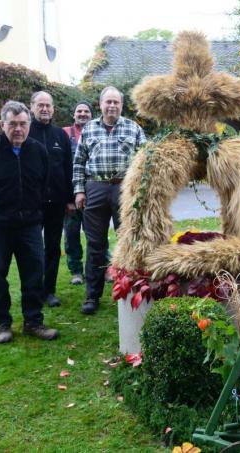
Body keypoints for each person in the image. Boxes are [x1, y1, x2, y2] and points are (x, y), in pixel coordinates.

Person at [0, 100, 60, 343]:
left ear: (28, 125)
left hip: (29, 225)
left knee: (33, 274)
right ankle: (2, 323)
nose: (18, 129)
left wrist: (32, 212)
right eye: (12, 124)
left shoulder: (38, 151)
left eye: (22, 124)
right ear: (2, 124)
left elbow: (43, 184)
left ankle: (33, 321)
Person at [73, 86, 146, 315]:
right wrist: (79, 191)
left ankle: (129, 290)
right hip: (95, 188)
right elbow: (78, 162)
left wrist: (141, 192)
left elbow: (146, 160)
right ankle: (92, 296)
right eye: (108, 102)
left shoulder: (133, 128)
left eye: (116, 102)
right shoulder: (89, 129)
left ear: (121, 105)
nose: (112, 106)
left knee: (128, 241)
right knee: (95, 245)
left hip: (124, 189)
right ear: (100, 104)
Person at [28, 91, 73, 308]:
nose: (44, 109)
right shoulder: (25, 133)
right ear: (32, 107)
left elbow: (68, 168)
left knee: (53, 248)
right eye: (40, 105)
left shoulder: (60, 135)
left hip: (56, 203)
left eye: (48, 105)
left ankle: (49, 291)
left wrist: (71, 198)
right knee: (32, 249)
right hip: (31, 204)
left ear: (53, 109)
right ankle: (33, 290)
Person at [62, 101, 93, 285]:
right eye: (79, 111)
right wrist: (68, 198)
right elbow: (63, 169)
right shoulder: (65, 134)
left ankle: (101, 268)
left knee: (96, 235)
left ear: (91, 114)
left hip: (94, 196)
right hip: (72, 198)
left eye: (86, 111)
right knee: (72, 236)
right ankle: (76, 271)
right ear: (74, 115)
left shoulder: (98, 131)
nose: (82, 114)